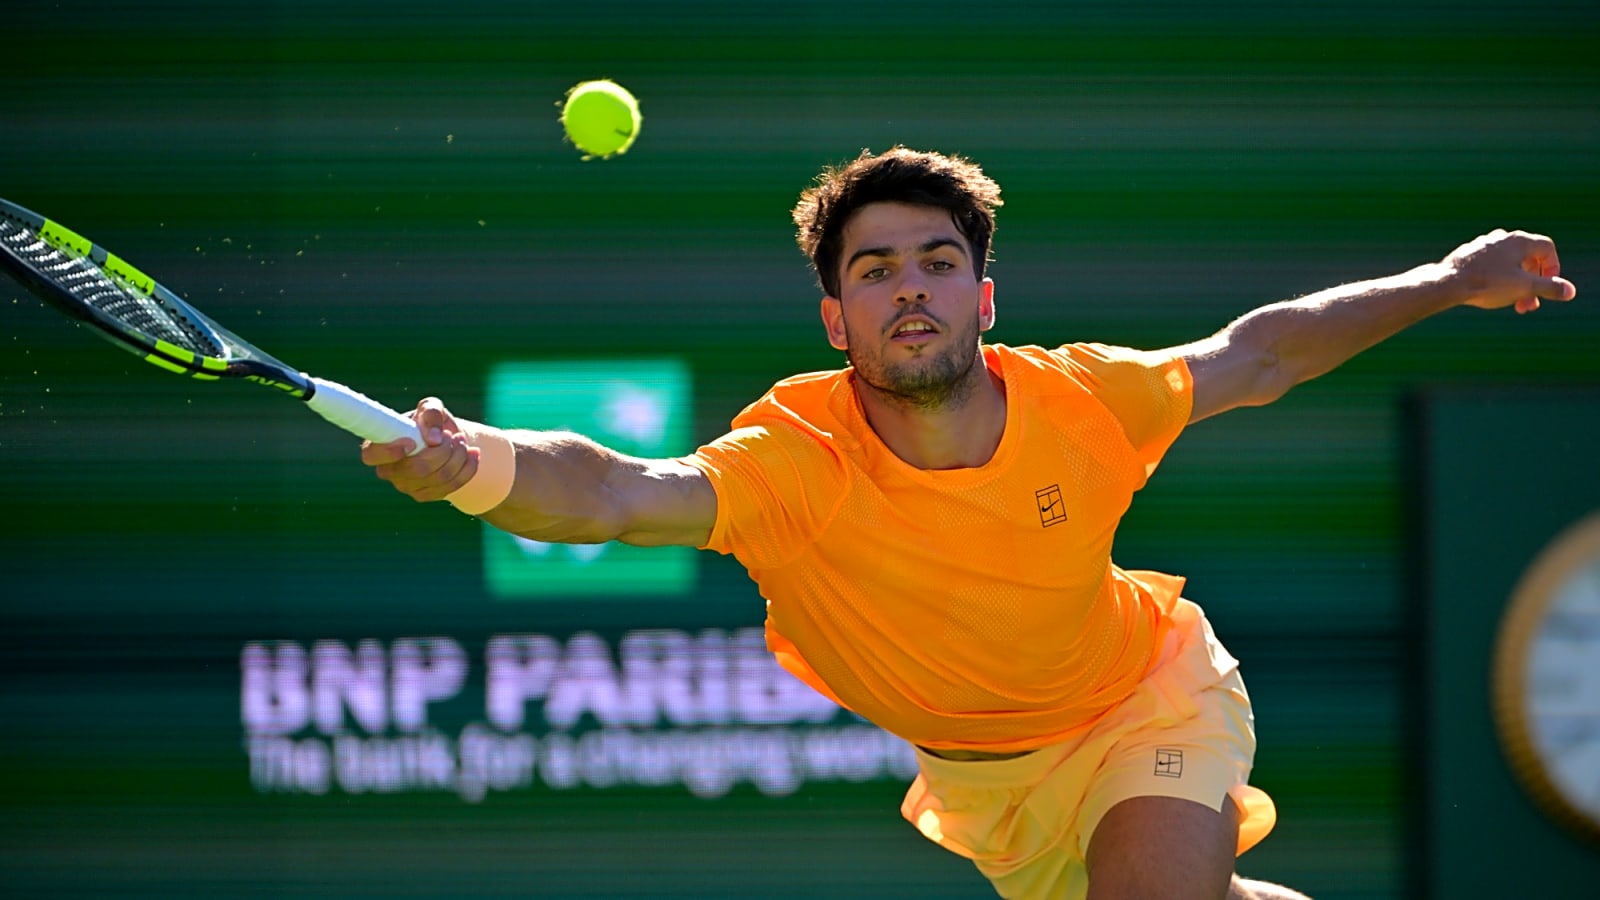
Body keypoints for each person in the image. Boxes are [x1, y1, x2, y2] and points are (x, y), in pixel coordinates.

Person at [360, 147, 1575, 900]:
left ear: (980, 296)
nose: (910, 289)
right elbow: (618, 489)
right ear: (836, 318)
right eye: (875, 270)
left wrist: (1452, 279)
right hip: (990, 791)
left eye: (936, 262)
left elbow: (1256, 355)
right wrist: (479, 465)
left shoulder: (1083, 400)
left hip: (1140, 700)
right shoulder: (792, 458)